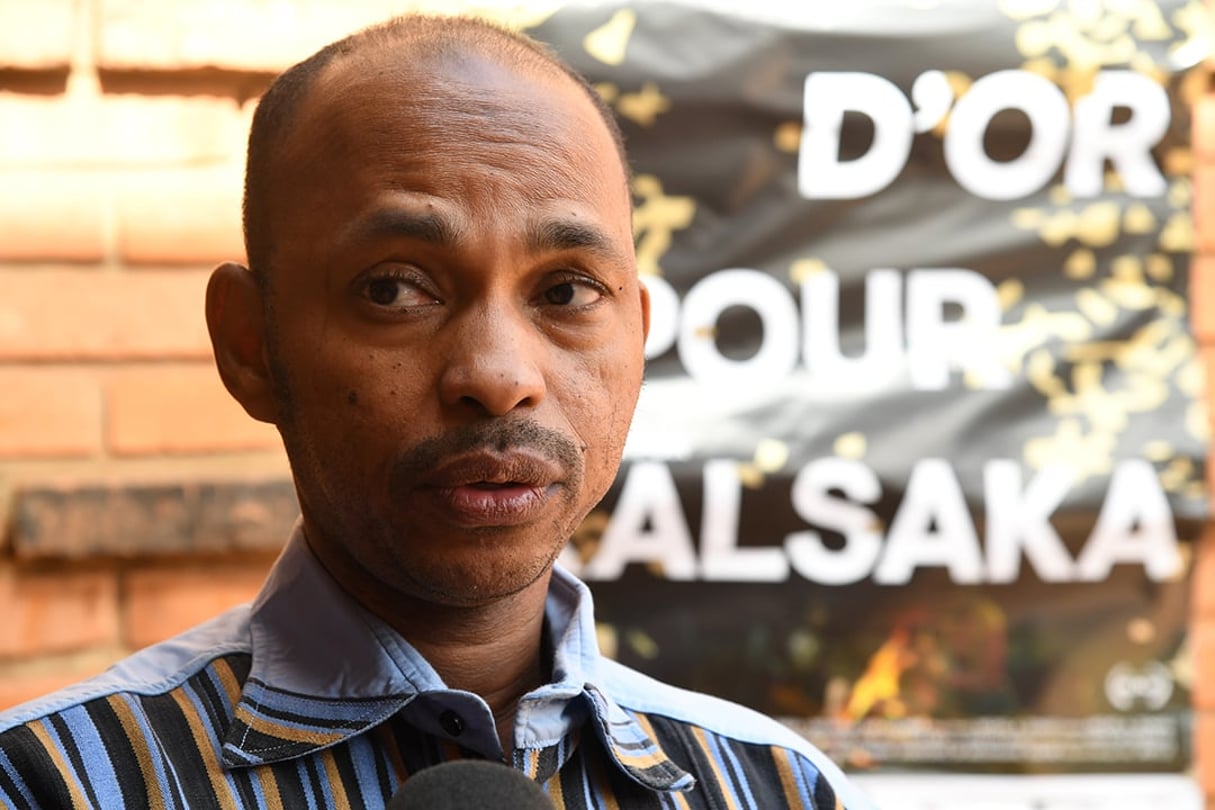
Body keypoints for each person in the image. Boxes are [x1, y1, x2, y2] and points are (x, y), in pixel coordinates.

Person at [0, 14, 875, 809]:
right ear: (249, 345)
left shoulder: (772, 789)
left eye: (567, 290)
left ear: (637, 337)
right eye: (395, 289)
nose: (496, 377)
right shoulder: (52, 785)